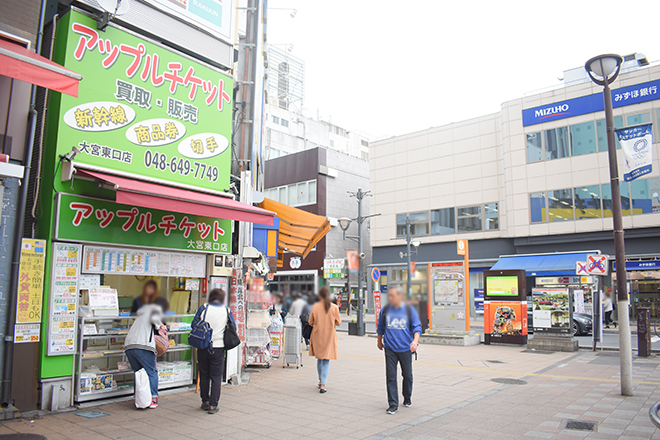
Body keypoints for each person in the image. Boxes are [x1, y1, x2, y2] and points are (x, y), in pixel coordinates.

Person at [377, 286, 422, 415]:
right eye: (389, 295)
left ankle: (407, 397)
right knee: (391, 377)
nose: (390, 298)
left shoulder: (409, 310)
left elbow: (417, 328)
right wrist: (379, 341)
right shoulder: (385, 310)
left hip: (405, 348)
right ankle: (392, 404)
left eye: (392, 296)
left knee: (407, 375)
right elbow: (380, 327)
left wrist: (415, 341)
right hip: (390, 348)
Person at [193, 288, 234, 414]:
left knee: (204, 374)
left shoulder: (204, 308)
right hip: (218, 347)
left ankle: (205, 401)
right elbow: (233, 327)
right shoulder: (226, 311)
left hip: (203, 346)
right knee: (216, 376)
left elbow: (194, 324)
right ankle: (213, 405)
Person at [124, 297, 169, 409]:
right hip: (143, 346)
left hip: (129, 346)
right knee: (151, 371)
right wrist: (162, 326)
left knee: (138, 372)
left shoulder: (140, 315)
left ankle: (140, 399)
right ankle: (153, 398)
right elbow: (156, 321)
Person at [309, 287, 341, 394]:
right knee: (326, 360)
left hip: (317, 335)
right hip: (329, 336)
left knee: (319, 358)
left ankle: (320, 380)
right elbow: (338, 322)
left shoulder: (315, 307)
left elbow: (310, 321)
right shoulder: (334, 308)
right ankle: (323, 384)